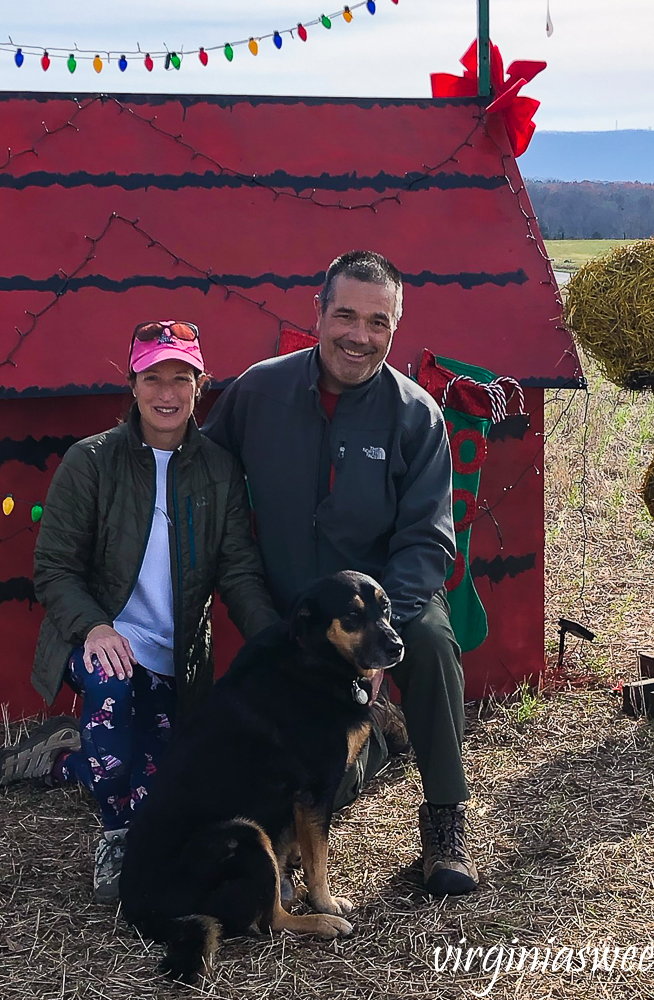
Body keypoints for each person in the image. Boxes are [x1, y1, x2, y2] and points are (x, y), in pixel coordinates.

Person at [202, 250, 478, 896]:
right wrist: (254, 609)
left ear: (395, 327)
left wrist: (376, 640)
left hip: (386, 614)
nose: (360, 335)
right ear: (318, 313)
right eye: (346, 315)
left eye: (378, 322)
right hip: (286, 615)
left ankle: (445, 821)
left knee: (435, 642)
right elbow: (202, 479)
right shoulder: (257, 392)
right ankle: (368, 748)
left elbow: (427, 541)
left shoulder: (417, 416)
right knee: (322, 773)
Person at [0, 320, 280, 902]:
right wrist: (93, 626)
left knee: (160, 781)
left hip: (176, 658)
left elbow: (239, 571)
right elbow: (55, 567)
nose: (167, 394)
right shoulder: (90, 461)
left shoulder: (220, 471)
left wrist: (275, 645)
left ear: (200, 385)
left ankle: (65, 759)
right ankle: (117, 841)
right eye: (153, 378)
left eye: (182, 379)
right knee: (113, 721)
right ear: (133, 383)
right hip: (101, 639)